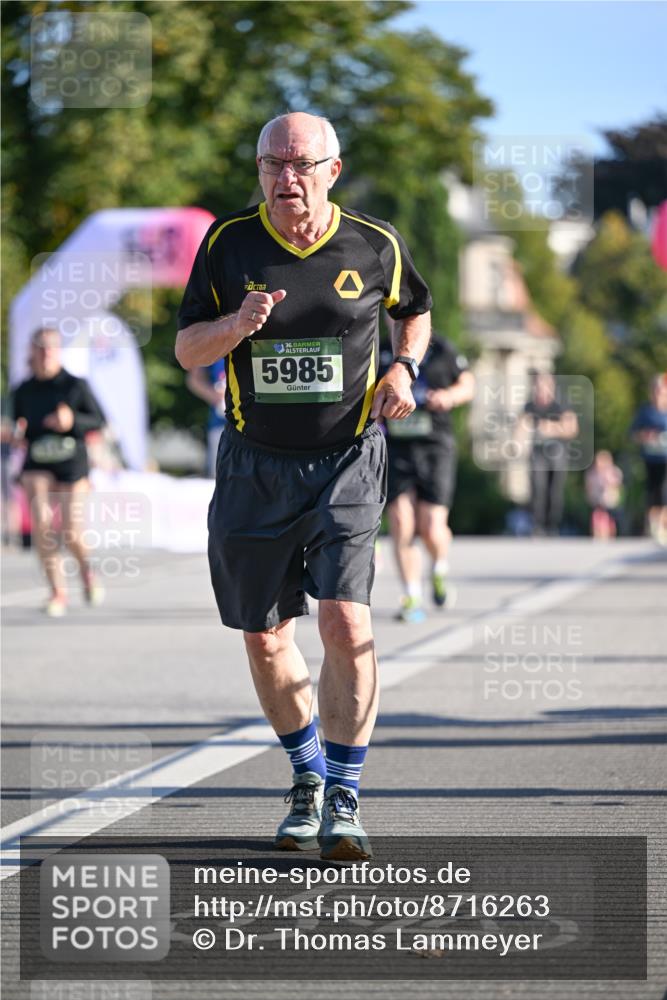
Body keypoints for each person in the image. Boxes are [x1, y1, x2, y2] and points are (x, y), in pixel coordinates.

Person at [176, 112, 432, 860]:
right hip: (254, 462)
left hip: (347, 457)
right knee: (263, 634)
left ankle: (346, 794)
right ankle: (307, 778)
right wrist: (238, 324)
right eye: (270, 164)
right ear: (257, 171)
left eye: (298, 164)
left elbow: (412, 313)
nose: (284, 178)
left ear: (332, 169)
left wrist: (402, 368)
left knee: (346, 624)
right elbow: (189, 346)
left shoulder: (373, 243)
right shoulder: (228, 244)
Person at [379, 329, 474, 622]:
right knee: (401, 522)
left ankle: (439, 569)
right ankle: (411, 597)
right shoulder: (381, 351)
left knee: (432, 526)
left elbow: (468, 384)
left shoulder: (442, 348)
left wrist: (449, 396)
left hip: (435, 446)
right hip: (397, 446)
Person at [11, 327, 107, 616]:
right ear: (32, 351)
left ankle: (87, 572)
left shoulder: (75, 385)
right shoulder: (23, 390)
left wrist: (71, 420)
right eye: (39, 347)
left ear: (58, 350)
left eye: (50, 347)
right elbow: (18, 427)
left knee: (70, 531)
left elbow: (98, 421)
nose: (45, 353)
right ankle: (57, 592)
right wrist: (16, 433)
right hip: (38, 461)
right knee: (41, 522)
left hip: (71, 463)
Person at [518, 372, 578, 536]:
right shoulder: (529, 406)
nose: (541, 390)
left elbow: (572, 429)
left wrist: (550, 428)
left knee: (554, 490)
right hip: (537, 453)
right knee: (537, 487)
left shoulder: (561, 405)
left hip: (557, 453)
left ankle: (552, 525)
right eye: (538, 386)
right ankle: (537, 524)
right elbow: (521, 427)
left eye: (544, 386)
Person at [631, 373, 667, 544]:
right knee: (653, 491)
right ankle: (654, 525)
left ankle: (662, 525)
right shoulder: (646, 412)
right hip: (652, 457)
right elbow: (633, 434)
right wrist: (646, 436)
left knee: (665, 490)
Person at [185, 359, 227, 477]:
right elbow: (194, 379)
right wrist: (215, 396)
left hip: (254, 425)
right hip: (221, 425)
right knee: (220, 480)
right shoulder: (215, 343)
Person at [585, 450, 623, 540]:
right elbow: (589, 486)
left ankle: (610, 532)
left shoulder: (613, 472)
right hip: (597, 499)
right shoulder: (592, 473)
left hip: (609, 500)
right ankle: (598, 532)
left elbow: (616, 484)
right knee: (597, 515)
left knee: (609, 517)